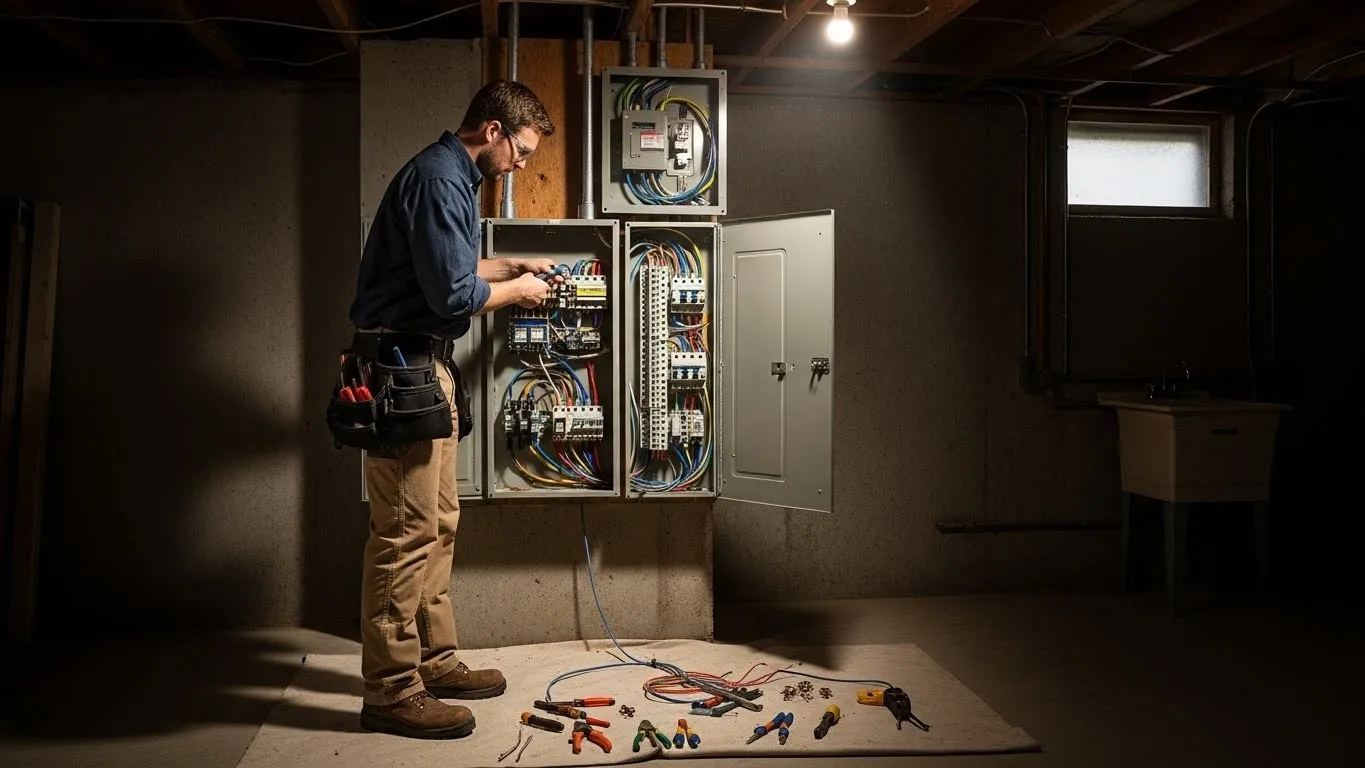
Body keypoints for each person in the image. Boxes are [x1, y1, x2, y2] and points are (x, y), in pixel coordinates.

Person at [347, 80, 560, 740]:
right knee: (404, 531)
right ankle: (390, 688)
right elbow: (449, 295)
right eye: (520, 151)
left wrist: (507, 263)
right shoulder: (440, 178)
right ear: (492, 131)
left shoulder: (452, 178)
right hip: (403, 367)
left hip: (422, 365)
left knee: (437, 521)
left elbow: (450, 266)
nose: (522, 165)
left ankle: (433, 661)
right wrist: (517, 289)